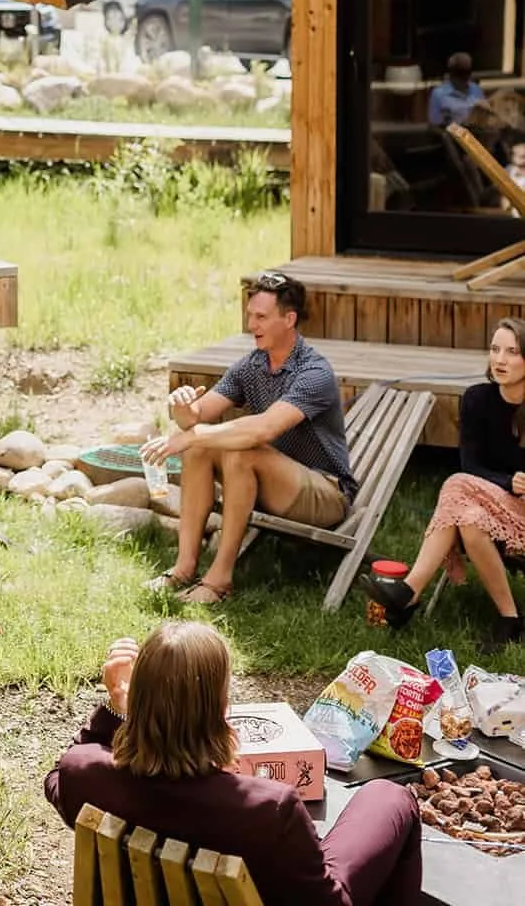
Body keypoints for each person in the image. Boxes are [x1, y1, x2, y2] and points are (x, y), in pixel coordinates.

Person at [45, 622, 422, 906]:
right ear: (221, 708)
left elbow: (61, 775)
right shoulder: (268, 810)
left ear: (139, 701)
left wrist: (116, 707)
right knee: (389, 798)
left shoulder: (85, 775)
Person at [142, 273, 356, 604]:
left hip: (324, 494)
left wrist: (193, 434)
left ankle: (219, 580)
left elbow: (264, 429)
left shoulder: (314, 373)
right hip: (275, 482)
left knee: (242, 450)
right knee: (200, 449)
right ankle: (184, 568)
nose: (251, 324)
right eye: (250, 315)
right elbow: (197, 415)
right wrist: (184, 408)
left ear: (289, 319)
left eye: (261, 317)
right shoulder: (251, 366)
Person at [361, 318, 525, 647]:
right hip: (487, 504)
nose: (500, 359)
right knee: (469, 516)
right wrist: (509, 481)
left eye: (512, 352)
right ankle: (510, 619)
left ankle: (409, 593)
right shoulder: (477, 399)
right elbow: (471, 465)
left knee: (457, 486)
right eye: (495, 349)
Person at [428, 52, 487, 128]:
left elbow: (485, 119)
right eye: (459, 72)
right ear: (451, 73)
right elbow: (435, 125)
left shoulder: (476, 90)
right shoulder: (438, 94)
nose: (464, 76)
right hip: (451, 133)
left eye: (467, 72)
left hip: (476, 132)